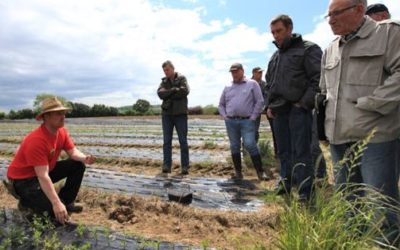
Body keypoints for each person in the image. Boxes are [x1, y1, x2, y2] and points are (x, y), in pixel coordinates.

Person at [320, 0, 400, 245]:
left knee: (380, 204)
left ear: (358, 9)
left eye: (336, 13)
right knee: (347, 203)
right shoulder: (330, 49)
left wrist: (372, 103)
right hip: (339, 138)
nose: (330, 20)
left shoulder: (388, 33)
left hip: (376, 138)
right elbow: (324, 91)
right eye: (328, 15)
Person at [6, 97, 95, 225]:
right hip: (23, 180)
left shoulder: (61, 132)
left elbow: (73, 152)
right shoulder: (37, 140)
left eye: (63, 113)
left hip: (42, 172)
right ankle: (26, 204)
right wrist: (55, 203)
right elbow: (43, 176)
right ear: (46, 117)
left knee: (77, 165)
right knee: (53, 214)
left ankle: (66, 202)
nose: (63, 116)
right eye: (58, 113)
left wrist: (84, 158)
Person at [265, 15, 322, 201]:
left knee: (302, 152)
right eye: (273, 32)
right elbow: (269, 83)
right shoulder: (275, 56)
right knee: (283, 151)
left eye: (279, 31)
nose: (276, 36)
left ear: (289, 29)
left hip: (299, 110)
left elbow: (318, 80)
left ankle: (306, 192)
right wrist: (269, 105)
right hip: (279, 111)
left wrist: (303, 103)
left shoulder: (308, 49)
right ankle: (285, 183)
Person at [218, 63, 269, 181]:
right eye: (232, 72)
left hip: (247, 121)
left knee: (250, 144)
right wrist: (225, 116)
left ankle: (260, 172)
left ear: (242, 71)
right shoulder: (227, 87)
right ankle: (238, 173)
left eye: (236, 71)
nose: (234, 74)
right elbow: (221, 104)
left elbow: (260, 101)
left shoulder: (252, 84)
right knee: (234, 146)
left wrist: (253, 117)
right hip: (231, 121)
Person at [157, 60, 190, 175]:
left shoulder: (182, 78)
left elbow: (185, 91)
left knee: (183, 141)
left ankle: (185, 167)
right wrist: (174, 90)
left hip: (180, 114)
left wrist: (168, 93)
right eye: (164, 70)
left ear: (173, 68)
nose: (166, 72)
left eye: (167, 69)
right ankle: (166, 165)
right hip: (167, 115)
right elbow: (160, 94)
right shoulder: (164, 81)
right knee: (167, 141)